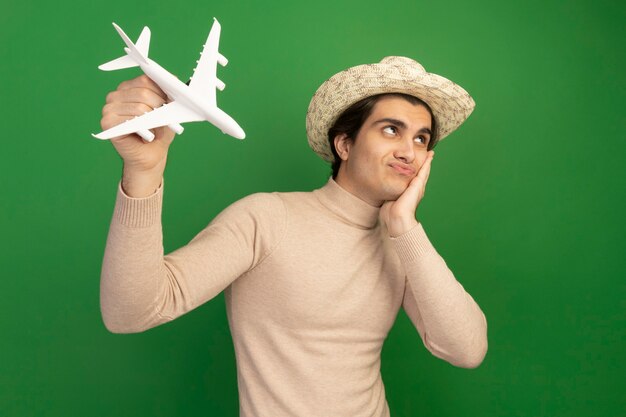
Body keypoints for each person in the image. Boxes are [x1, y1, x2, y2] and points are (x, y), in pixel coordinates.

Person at [98, 56, 488, 417]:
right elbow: (131, 312)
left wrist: (405, 226)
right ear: (345, 144)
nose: (409, 151)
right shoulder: (267, 218)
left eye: (422, 139)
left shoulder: (403, 246)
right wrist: (143, 174)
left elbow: (467, 349)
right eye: (391, 130)